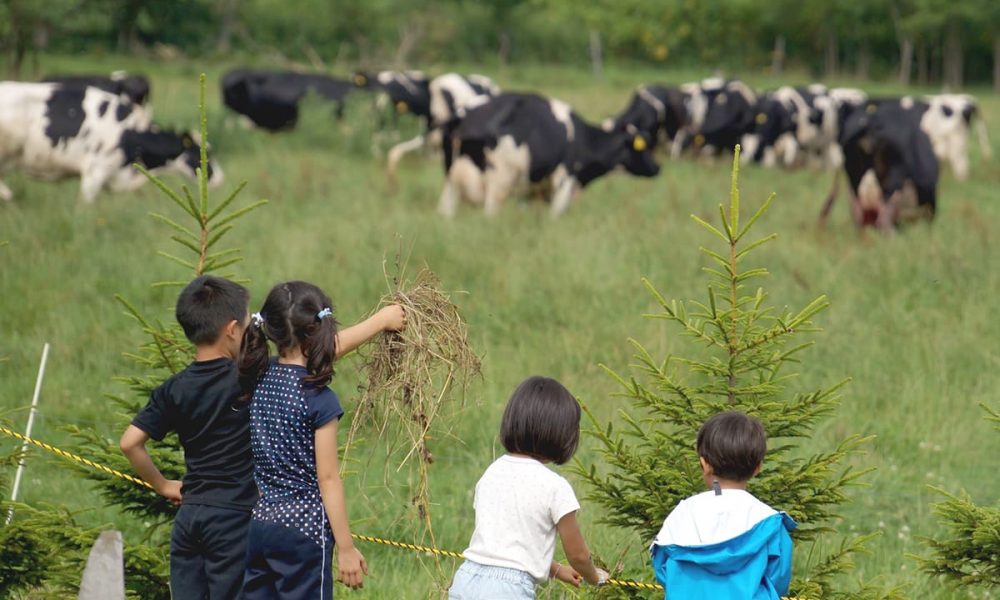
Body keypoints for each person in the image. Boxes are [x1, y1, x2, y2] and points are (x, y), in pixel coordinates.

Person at [237, 281, 405, 599]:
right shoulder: (318, 398)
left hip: (261, 525)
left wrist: (381, 320)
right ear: (319, 332)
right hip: (303, 533)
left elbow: (318, 353)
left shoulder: (259, 375)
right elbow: (328, 478)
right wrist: (346, 547)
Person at [449, 376, 608, 599]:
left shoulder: (492, 473)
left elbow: (508, 544)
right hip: (508, 590)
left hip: (466, 579)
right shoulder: (555, 487)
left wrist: (558, 570)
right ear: (561, 434)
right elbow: (578, 555)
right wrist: (595, 577)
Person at [649, 411, 796, 600]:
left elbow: (662, 569)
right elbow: (779, 579)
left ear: (705, 464)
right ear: (758, 467)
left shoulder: (683, 514)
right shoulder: (769, 520)